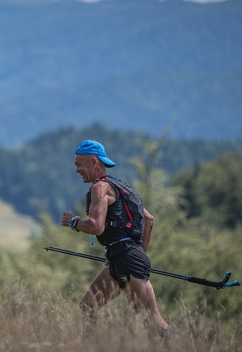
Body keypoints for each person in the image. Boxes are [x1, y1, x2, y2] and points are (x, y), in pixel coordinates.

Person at [61, 139, 176, 341]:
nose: (77, 170)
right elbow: (148, 220)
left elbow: (97, 226)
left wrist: (74, 222)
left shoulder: (100, 188)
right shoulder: (122, 187)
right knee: (88, 305)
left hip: (125, 259)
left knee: (152, 320)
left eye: (79, 164)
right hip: (121, 259)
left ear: (94, 162)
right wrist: (139, 254)